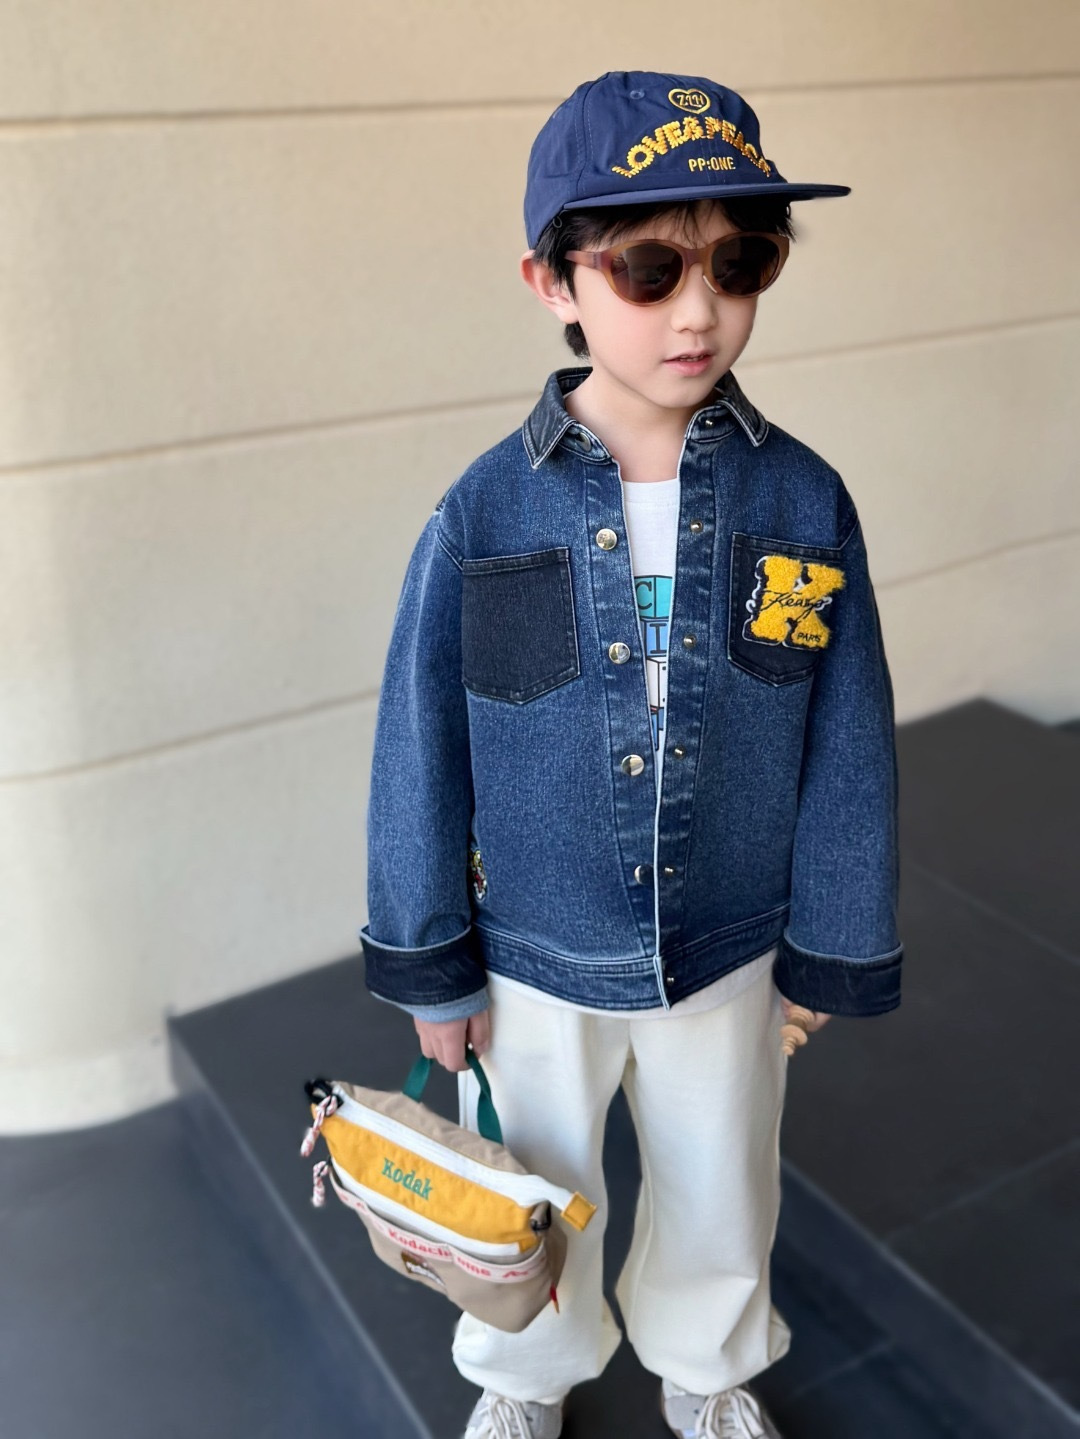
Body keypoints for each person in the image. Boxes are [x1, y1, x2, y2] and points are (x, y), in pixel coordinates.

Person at [358, 69, 903, 1439]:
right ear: (552, 280)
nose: (699, 310)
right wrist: (431, 964)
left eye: (741, 261)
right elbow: (419, 744)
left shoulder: (804, 500)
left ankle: (707, 1370)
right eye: (650, 269)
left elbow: (846, 738)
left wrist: (828, 947)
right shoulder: (485, 513)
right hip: (532, 951)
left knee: (723, 1180)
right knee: (531, 1180)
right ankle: (526, 1376)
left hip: (731, 939)